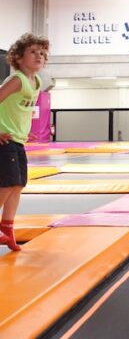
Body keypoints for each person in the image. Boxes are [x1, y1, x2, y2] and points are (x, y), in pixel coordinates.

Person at [0, 33, 49, 251]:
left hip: (17, 139)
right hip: (5, 140)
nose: (39, 56)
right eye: (33, 52)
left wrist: (25, 132)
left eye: (42, 53)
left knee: (18, 184)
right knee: (8, 183)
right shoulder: (17, 80)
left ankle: (7, 228)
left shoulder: (36, 82)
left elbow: (18, 111)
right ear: (18, 57)